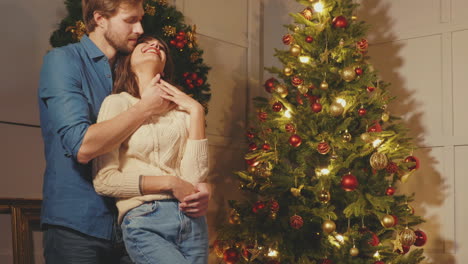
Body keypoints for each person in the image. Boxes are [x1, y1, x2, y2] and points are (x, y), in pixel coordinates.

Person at [38, 0, 210, 263]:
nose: (140, 28)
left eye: (140, 19)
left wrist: (199, 189)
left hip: (137, 225)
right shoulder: (63, 61)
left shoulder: (136, 66)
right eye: (130, 20)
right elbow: (82, 147)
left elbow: (167, 149)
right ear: (100, 19)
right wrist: (144, 108)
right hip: (78, 227)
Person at [93, 35, 209, 264]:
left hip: (193, 222)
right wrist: (169, 182)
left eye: (161, 47)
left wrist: (197, 111)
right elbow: (103, 180)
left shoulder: (184, 112)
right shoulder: (117, 103)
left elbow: (194, 180)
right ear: (127, 62)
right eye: (144, 44)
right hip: (146, 218)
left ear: (164, 69)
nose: (155, 46)